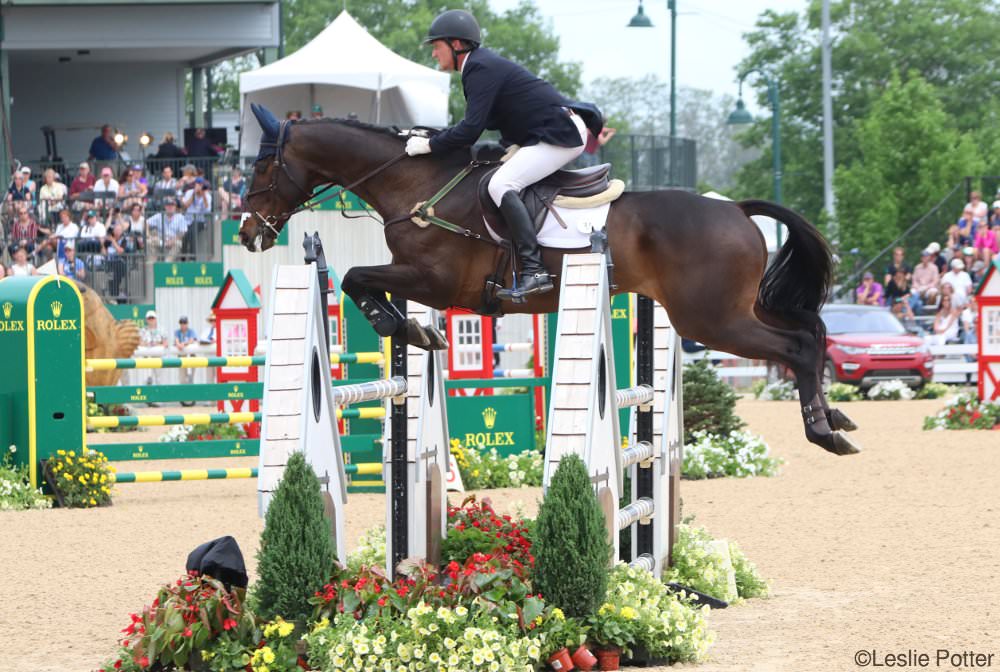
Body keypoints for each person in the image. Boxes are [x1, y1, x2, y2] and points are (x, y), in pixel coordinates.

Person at [406, 9, 603, 300]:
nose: (434, 54)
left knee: (501, 184)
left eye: (437, 46)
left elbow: (470, 129)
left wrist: (431, 145)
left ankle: (534, 270)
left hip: (558, 135)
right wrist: (435, 137)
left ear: (457, 45)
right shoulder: (479, 67)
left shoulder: (479, 69)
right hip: (544, 132)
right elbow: (477, 125)